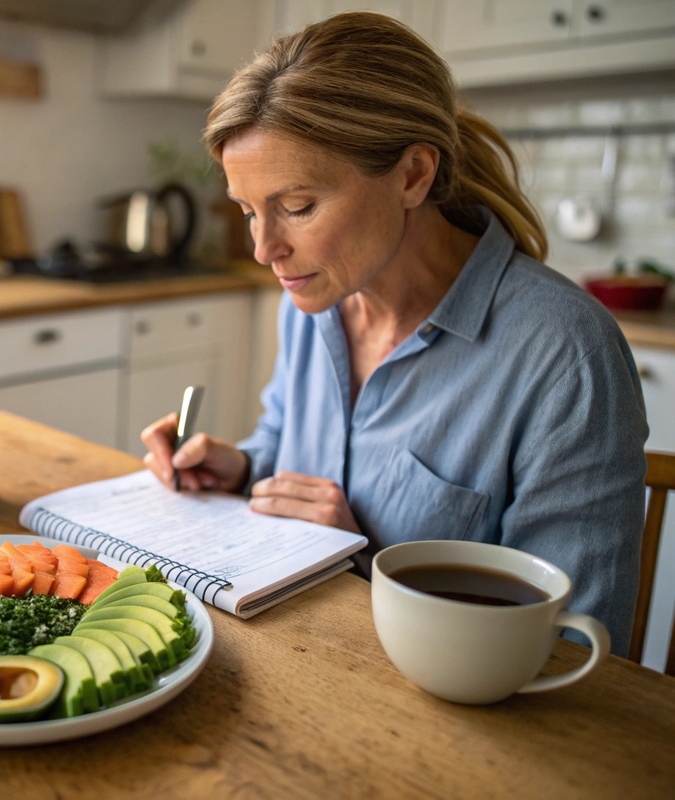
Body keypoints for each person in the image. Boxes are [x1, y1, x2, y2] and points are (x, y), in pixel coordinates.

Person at [140, 11, 648, 655]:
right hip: (296, 657)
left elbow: (577, 648)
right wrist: (240, 467)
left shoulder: (566, 356)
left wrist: (357, 558)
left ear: (413, 175)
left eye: (297, 207)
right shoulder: (314, 299)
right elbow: (288, 440)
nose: (265, 249)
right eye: (248, 212)